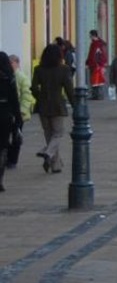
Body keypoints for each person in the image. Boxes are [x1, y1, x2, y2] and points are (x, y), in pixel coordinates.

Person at [30, 44, 72, 175]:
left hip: (43, 106)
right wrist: (75, 104)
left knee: (49, 134)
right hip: (57, 105)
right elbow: (69, 89)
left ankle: (56, 165)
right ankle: (47, 153)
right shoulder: (64, 69)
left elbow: (34, 88)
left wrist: (39, 97)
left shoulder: (38, 69)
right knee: (58, 133)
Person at [7, 55, 34, 168]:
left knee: (16, 135)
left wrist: (22, 111)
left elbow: (27, 95)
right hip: (8, 112)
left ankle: (13, 160)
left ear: (17, 63)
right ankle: (9, 157)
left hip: (18, 112)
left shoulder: (22, 77)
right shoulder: (7, 76)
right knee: (7, 135)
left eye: (11, 63)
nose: (10, 65)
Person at [0, 54, 20, 189]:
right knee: (2, 147)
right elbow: (15, 101)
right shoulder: (9, 79)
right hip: (4, 115)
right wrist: (18, 119)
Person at [86, 29, 108, 100]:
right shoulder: (100, 43)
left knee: (95, 80)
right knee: (98, 80)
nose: (89, 37)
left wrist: (88, 63)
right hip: (98, 64)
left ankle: (96, 95)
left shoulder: (96, 44)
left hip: (96, 65)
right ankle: (98, 95)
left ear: (93, 35)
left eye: (90, 35)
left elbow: (92, 55)